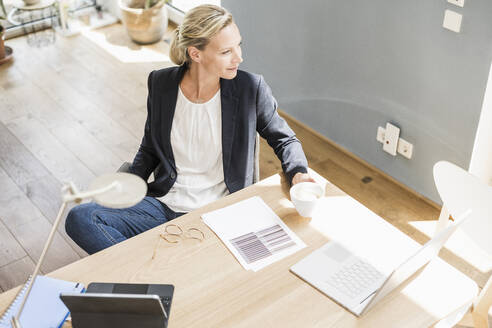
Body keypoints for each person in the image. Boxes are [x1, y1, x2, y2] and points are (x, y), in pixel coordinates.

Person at [65, 4, 314, 255]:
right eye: (227, 51)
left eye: (239, 45)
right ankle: (147, 276)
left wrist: (298, 173)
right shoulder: (161, 83)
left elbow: (285, 140)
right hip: (163, 204)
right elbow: (150, 146)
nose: (239, 57)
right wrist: (129, 186)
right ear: (196, 54)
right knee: (81, 218)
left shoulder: (250, 89)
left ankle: (149, 269)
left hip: (220, 212)